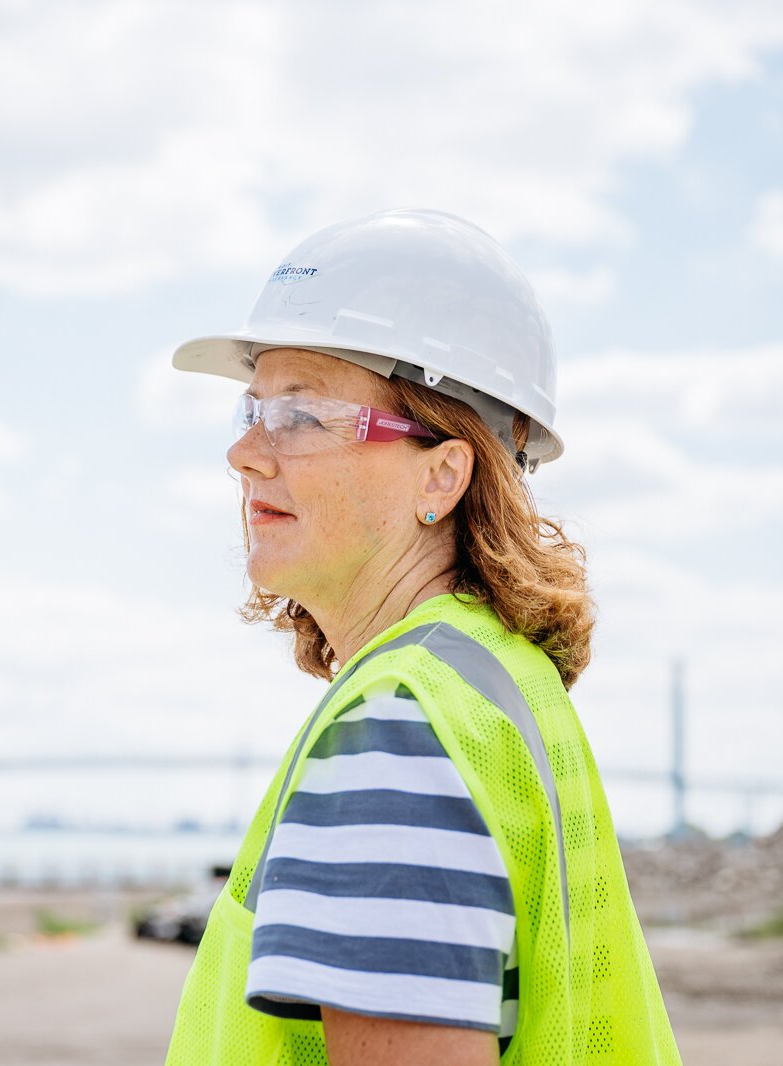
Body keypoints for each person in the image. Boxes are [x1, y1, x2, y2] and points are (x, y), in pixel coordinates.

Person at [163, 209, 681, 1065]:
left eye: (301, 414)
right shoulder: (487, 683)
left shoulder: (395, 727)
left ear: (441, 475)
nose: (244, 453)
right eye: (252, 409)